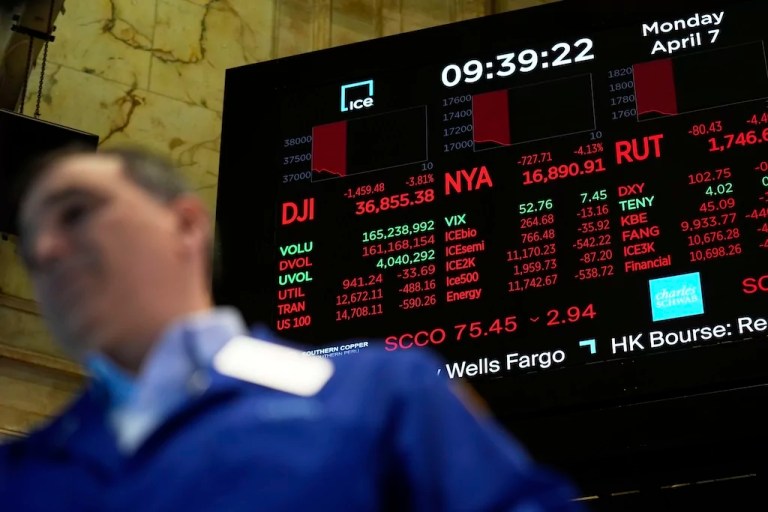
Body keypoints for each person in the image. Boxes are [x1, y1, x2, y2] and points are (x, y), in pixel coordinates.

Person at [0, 146, 588, 511]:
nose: (48, 250)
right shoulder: (20, 474)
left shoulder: (379, 391)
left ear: (184, 224)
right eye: (29, 245)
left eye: (76, 212)